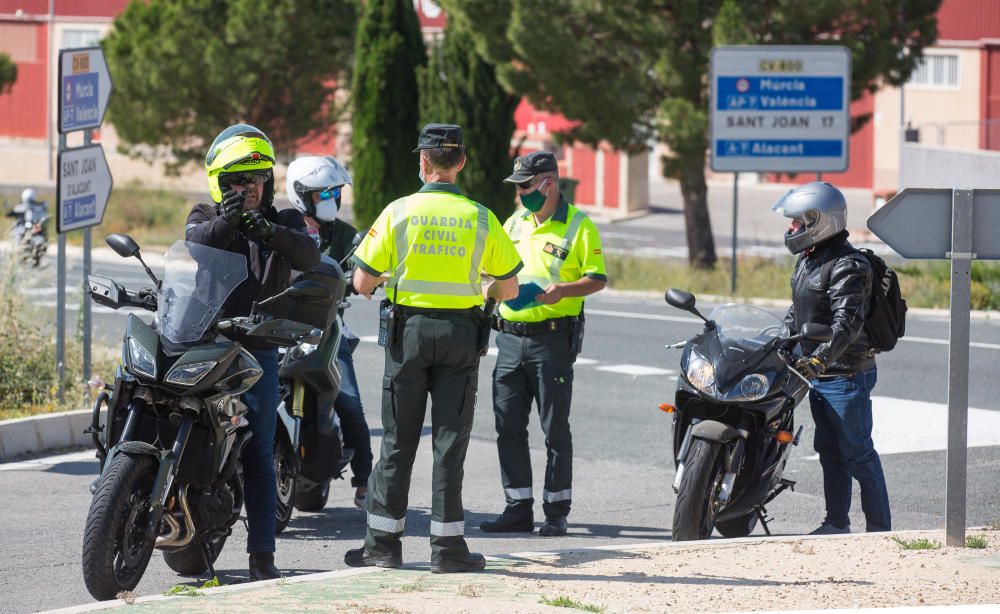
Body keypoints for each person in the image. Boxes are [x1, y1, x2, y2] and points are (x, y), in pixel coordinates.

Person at [345, 123, 522, 573]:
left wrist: (395, 277)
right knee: (449, 445)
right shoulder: (482, 217)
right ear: (461, 162)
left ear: (423, 163)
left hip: (409, 335)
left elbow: (362, 283)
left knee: (398, 443)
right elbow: (510, 289)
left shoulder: (399, 211)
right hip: (462, 336)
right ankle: (447, 551)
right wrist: (481, 287)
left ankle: (383, 547)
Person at [186, 124, 320, 580]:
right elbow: (195, 247)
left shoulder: (284, 221)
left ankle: (263, 556)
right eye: (239, 182)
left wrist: (265, 229)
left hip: (257, 349)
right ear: (221, 184)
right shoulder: (204, 214)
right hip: (204, 342)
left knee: (258, 450)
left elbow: (307, 256)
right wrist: (228, 221)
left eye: (258, 179)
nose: (250, 189)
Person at [479, 151, 607, 538]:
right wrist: (491, 287)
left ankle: (556, 511)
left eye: (525, 186)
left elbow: (597, 278)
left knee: (554, 429)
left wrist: (562, 291)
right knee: (508, 427)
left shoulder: (579, 225)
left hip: (552, 339)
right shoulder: (514, 222)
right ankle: (517, 507)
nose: (519, 194)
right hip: (510, 339)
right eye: (517, 187)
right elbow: (490, 269)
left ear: (549, 183)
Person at [773, 181, 891, 534]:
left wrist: (820, 359)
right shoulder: (809, 260)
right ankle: (836, 523)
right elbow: (798, 314)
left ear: (818, 220)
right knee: (829, 451)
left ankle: (880, 532)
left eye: (797, 222)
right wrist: (778, 340)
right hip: (818, 373)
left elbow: (847, 324)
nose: (791, 228)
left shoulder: (848, 266)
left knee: (858, 453)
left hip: (845, 374)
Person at [285, 155, 373, 508]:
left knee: (349, 401)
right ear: (302, 195)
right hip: (282, 325)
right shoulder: (284, 225)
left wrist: (362, 277)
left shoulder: (343, 234)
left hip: (326, 327)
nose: (331, 201)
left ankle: (366, 482)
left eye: (334, 193)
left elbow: (363, 265)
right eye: (323, 194)